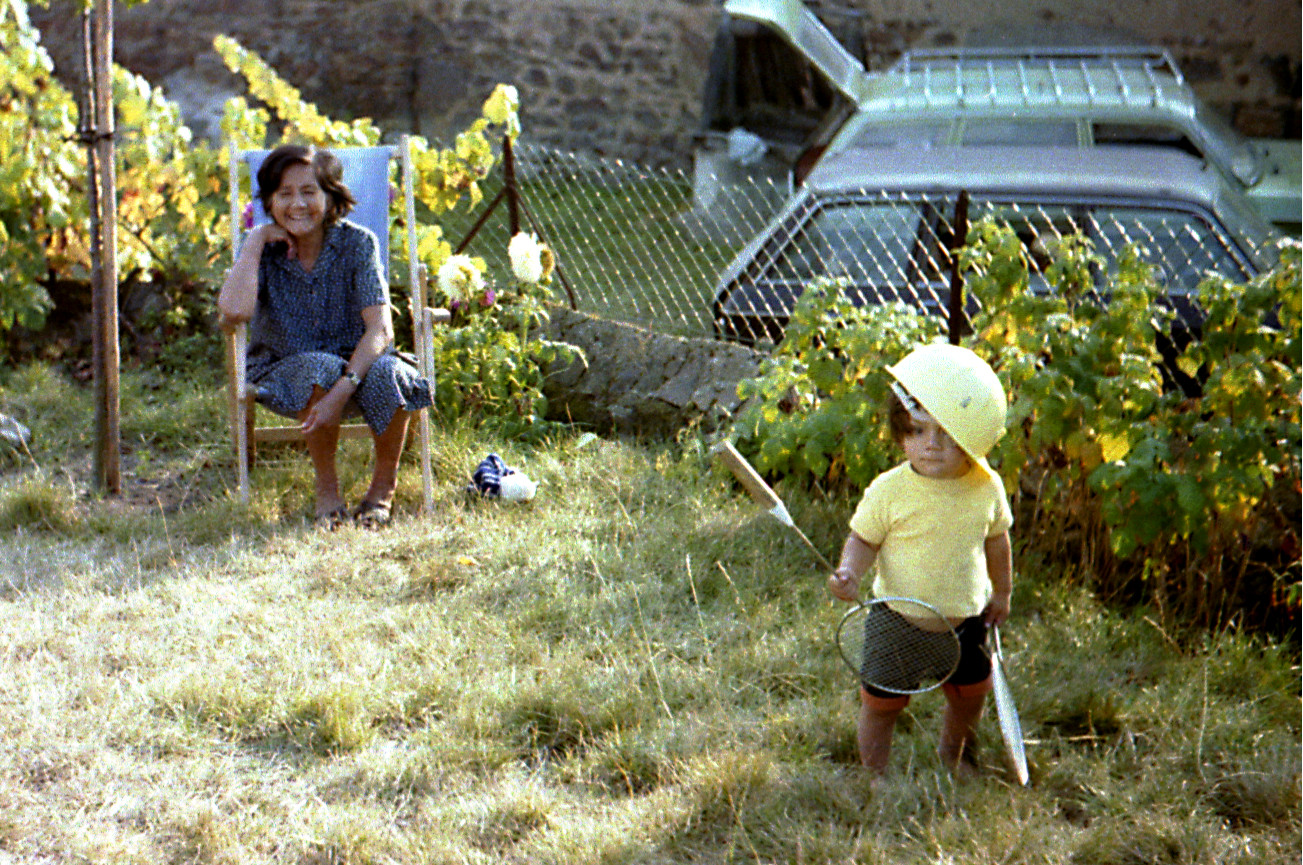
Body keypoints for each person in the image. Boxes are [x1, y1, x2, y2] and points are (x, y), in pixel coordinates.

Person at [218, 144, 431, 529]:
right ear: (269, 201)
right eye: (284, 193)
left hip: (356, 367)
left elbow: (381, 329)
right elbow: (233, 313)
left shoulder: (358, 244)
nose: (297, 204)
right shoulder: (262, 250)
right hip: (282, 370)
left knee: (394, 373)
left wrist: (343, 389)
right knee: (318, 368)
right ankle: (328, 490)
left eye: (308, 191)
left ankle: (383, 489)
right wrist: (255, 240)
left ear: (330, 197)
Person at [827, 342, 1013, 781]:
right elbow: (863, 539)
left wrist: (1003, 592)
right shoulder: (889, 490)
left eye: (947, 434)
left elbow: (997, 542)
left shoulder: (986, 487)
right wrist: (849, 571)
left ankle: (954, 754)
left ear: (972, 439)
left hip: (965, 619)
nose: (931, 446)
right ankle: (874, 773)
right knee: (881, 703)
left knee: (971, 695)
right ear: (900, 432)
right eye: (917, 431)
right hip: (897, 618)